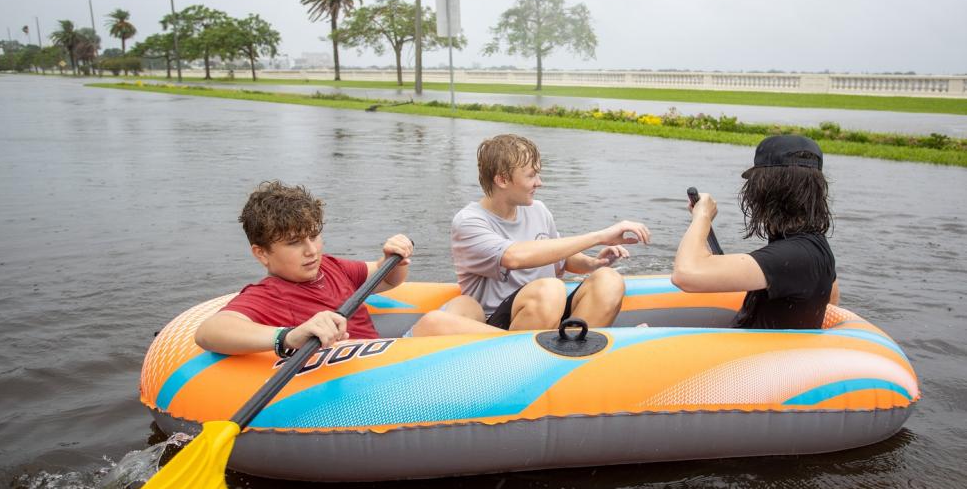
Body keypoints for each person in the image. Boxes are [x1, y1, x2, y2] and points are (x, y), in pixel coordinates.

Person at [444, 134, 651, 332]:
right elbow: (514, 257)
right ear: (502, 180)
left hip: (553, 309)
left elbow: (561, 257)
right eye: (531, 175)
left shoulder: (538, 210)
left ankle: (573, 349)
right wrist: (599, 236)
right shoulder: (469, 222)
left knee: (609, 280)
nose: (539, 182)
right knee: (550, 290)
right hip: (499, 323)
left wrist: (593, 263)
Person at [195, 180, 415, 355]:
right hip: (354, 381)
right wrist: (289, 337)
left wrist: (392, 259)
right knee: (437, 324)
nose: (311, 250)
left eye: (313, 236)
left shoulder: (331, 266)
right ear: (262, 253)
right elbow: (208, 332)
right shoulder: (270, 295)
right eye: (294, 242)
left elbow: (387, 280)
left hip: (383, 361)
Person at [672, 134, 840, 330]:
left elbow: (684, 274)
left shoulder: (794, 255)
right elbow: (832, 296)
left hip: (751, 360)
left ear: (767, 190)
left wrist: (702, 217)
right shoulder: (812, 247)